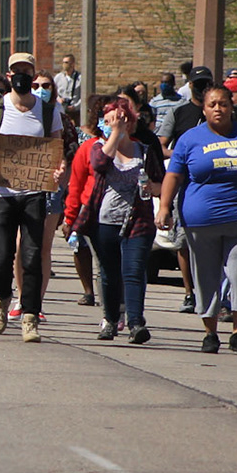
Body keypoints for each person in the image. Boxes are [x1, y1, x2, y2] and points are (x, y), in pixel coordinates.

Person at [158, 83, 237, 356]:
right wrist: (164, 207)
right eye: (212, 105)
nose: (218, 109)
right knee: (206, 277)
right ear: (205, 108)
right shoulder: (190, 139)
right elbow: (173, 175)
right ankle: (210, 332)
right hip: (202, 222)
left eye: (223, 104)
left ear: (232, 107)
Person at [0, 54, 69, 342]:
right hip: (1, 192)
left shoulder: (48, 111)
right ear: (9, 75)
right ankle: (1, 298)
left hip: (33, 192)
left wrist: (58, 168)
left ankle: (29, 316)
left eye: (28, 71)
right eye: (18, 72)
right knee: (1, 256)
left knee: (32, 255)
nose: (23, 76)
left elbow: (57, 149)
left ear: (34, 73)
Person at [69, 93, 163, 344]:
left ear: (131, 122)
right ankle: (110, 319)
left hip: (138, 221)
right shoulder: (99, 148)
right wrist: (114, 134)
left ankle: (135, 322)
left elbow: (160, 183)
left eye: (121, 119)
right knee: (109, 273)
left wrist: (151, 188)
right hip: (105, 220)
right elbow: (99, 164)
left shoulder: (143, 150)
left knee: (133, 271)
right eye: (110, 120)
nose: (116, 124)